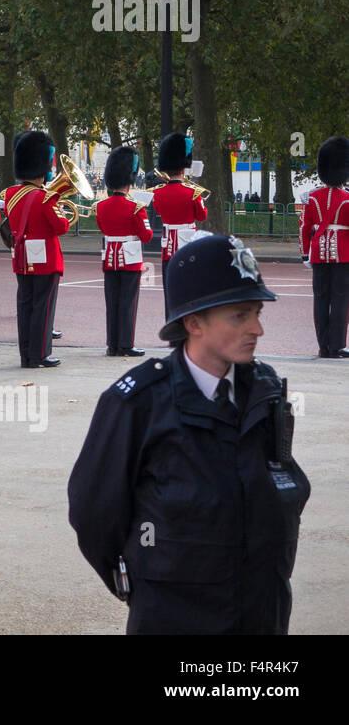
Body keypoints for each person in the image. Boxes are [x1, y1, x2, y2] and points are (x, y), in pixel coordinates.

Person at [68, 234, 311, 634]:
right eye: (239, 315)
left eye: (257, 313)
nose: (257, 328)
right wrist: (144, 579)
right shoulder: (138, 403)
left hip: (261, 609)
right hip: (175, 614)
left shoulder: (264, 389)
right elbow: (94, 512)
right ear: (193, 322)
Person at [3, 131, 70, 369]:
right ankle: (40, 354)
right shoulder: (45, 198)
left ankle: (26, 354)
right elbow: (61, 226)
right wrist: (60, 208)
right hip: (46, 258)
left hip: (22, 256)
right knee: (43, 305)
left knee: (25, 304)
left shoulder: (10, 194)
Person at [96, 146, 153, 357]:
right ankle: (126, 345)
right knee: (128, 302)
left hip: (110, 258)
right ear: (130, 179)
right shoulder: (136, 206)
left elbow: (103, 229)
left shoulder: (101, 206)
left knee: (112, 302)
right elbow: (146, 236)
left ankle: (112, 345)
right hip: (129, 258)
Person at [300, 135, 349, 358]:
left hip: (318, 254)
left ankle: (323, 346)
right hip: (343, 255)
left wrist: (305, 252)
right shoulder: (347, 199)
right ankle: (337, 345)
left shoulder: (312, 199)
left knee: (320, 300)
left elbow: (304, 227)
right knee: (340, 301)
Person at [151, 133, 208, 310]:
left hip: (167, 248)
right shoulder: (193, 192)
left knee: (170, 292)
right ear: (184, 167)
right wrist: (201, 200)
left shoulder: (158, 193)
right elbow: (202, 216)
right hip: (188, 246)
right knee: (189, 290)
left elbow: (160, 211)